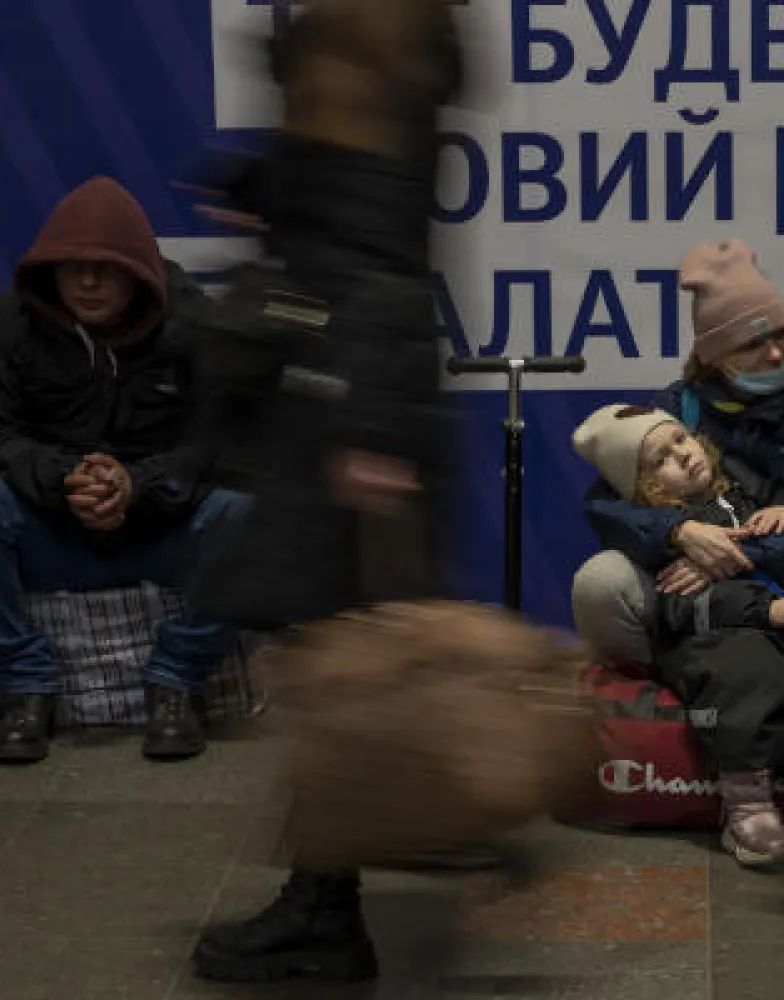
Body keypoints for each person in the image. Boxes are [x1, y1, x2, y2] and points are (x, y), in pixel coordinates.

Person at [187, 0, 470, 984]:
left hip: (353, 407)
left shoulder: (374, 58)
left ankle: (330, 902)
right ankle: (351, 876)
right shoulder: (362, 59)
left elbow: (379, 263)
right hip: (347, 397)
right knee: (335, 660)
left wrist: (373, 433)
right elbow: (341, 218)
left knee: (334, 664)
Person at [0, 176, 243, 765]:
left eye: (105, 268)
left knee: (249, 509)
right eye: (71, 266)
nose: (87, 281)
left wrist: (139, 486)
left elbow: (223, 441)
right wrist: (65, 478)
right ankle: (26, 687)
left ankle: (175, 683)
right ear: (48, 271)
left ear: (138, 270)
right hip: (52, 530)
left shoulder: (195, 322)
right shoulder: (9, 321)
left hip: (159, 530)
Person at [573, 403, 784, 867]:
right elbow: (682, 609)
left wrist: (783, 511)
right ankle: (747, 807)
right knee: (747, 675)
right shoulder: (663, 537)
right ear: (646, 488)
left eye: (681, 440)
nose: (683, 455)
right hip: (711, 642)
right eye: (660, 460)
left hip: (778, 632)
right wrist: (763, 609)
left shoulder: (737, 494)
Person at [572, 238, 784, 663]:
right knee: (600, 581)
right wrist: (678, 533)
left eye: (781, 333)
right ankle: (648, 717)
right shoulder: (677, 407)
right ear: (714, 358)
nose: (777, 353)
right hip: (696, 586)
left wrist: (734, 556)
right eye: (752, 344)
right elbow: (605, 506)